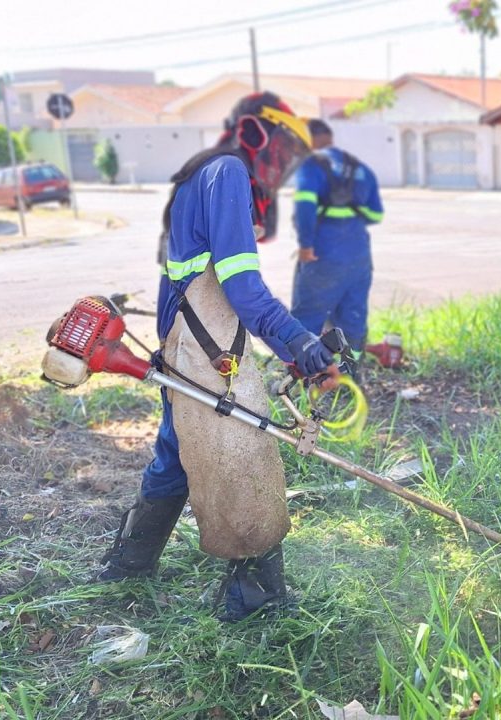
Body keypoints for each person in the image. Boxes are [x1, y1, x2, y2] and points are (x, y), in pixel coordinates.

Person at [98, 93, 337, 622]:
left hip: (188, 336)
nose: (285, 165)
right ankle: (255, 597)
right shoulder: (228, 172)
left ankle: (130, 562)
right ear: (258, 135)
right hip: (206, 342)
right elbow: (243, 288)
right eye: (285, 149)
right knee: (240, 447)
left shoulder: (202, 175)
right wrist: (299, 343)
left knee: (177, 447)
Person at [290, 119, 384, 355]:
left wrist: (305, 245)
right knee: (353, 317)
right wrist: (352, 214)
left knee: (307, 316)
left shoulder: (311, 165)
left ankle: (304, 372)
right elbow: (376, 214)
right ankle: (347, 370)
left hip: (322, 253)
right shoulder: (362, 169)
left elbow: (305, 207)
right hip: (359, 254)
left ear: (310, 139)